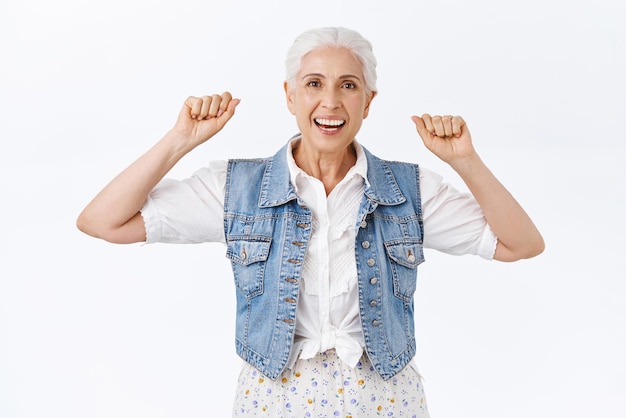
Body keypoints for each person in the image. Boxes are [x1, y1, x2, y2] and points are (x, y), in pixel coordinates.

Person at [77, 26, 544, 417]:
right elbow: (103, 221)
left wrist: (465, 161)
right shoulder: (236, 189)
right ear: (290, 95)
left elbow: (521, 244)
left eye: (348, 85)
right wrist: (180, 140)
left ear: (368, 100)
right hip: (273, 402)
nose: (331, 102)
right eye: (314, 83)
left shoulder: (408, 191)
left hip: (385, 402)